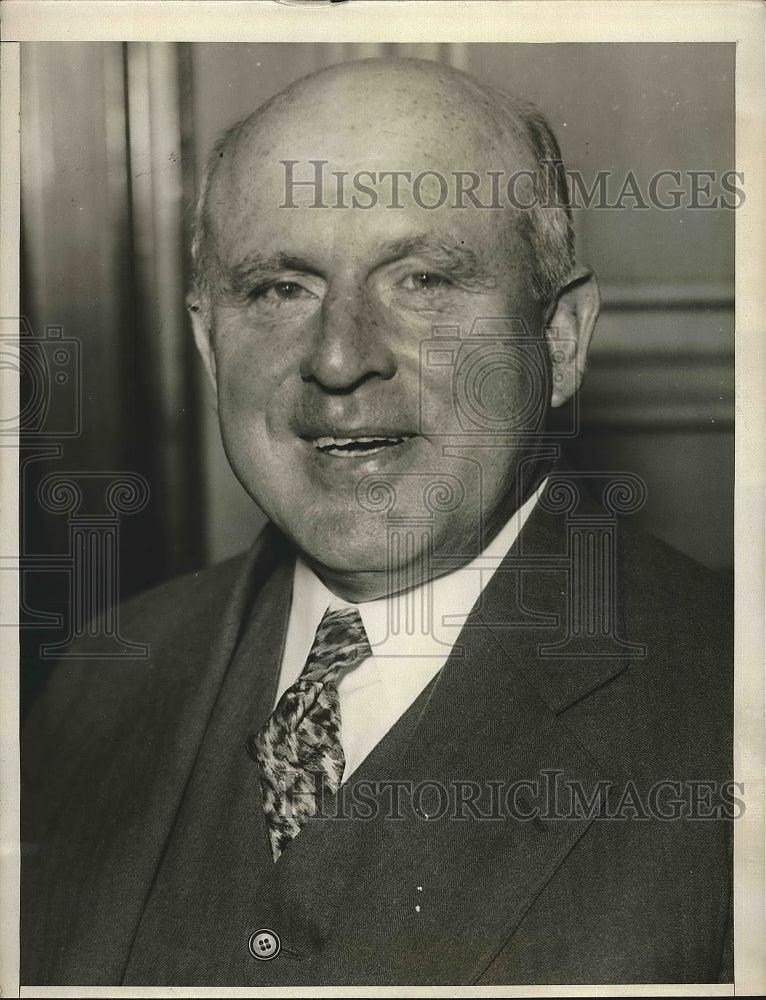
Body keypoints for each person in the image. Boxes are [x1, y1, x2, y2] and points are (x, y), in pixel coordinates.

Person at [21, 57, 733, 986]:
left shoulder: (728, 708)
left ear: (558, 340)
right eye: (280, 288)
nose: (341, 356)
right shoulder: (97, 679)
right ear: (206, 341)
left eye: (425, 279)